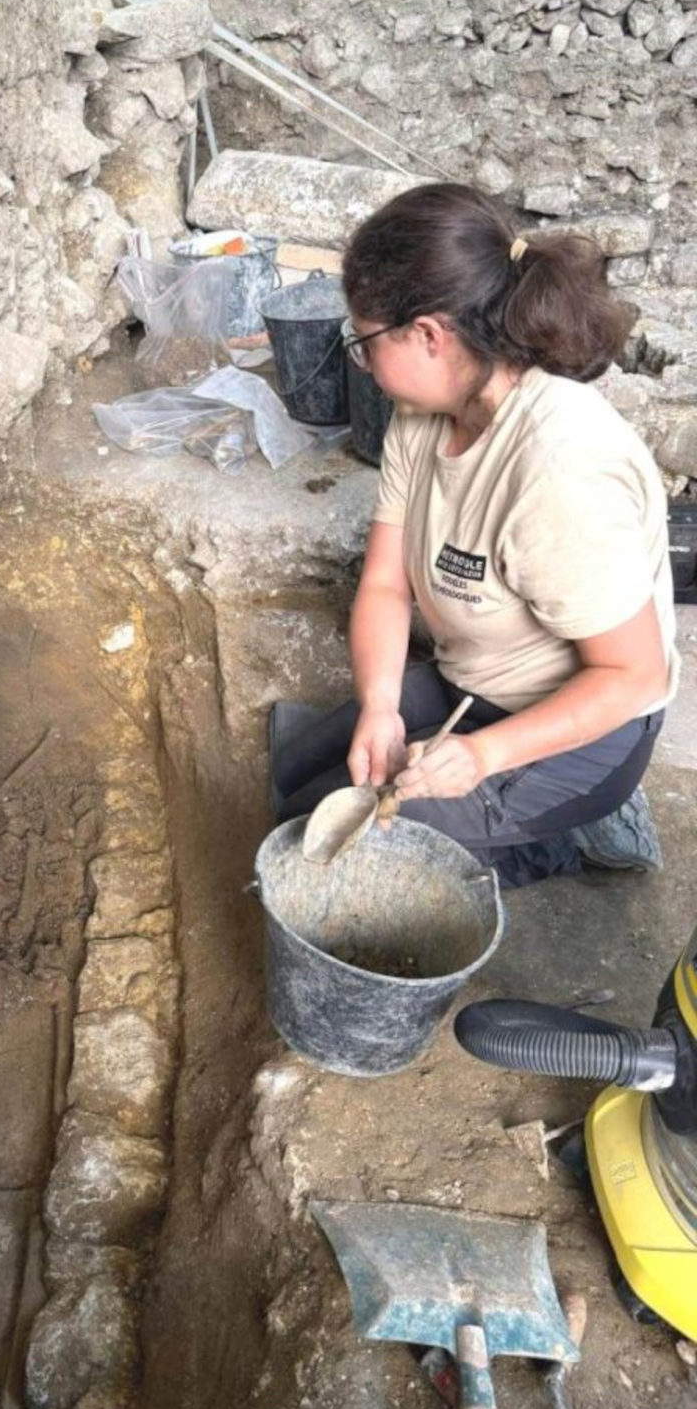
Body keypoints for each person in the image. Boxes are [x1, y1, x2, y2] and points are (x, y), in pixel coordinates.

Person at [271, 182, 679, 887]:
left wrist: (482, 756)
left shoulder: (561, 469)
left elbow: (631, 675)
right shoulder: (422, 415)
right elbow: (386, 583)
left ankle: (581, 830)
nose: (360, 361)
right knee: (296, 779)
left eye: (363, 341)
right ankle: (492, 793)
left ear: (428, 333)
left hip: (593, 728)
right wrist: (380, 706)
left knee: (344, 852)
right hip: (481, 677)